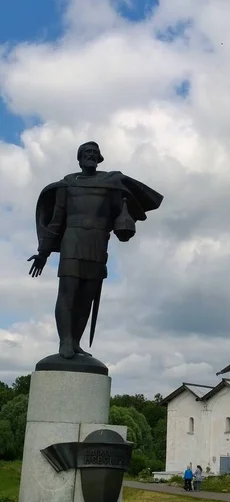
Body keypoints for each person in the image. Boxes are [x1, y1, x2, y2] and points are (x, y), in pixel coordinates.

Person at [28, 141, 163, 359]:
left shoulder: (111, 184)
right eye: (86, 152)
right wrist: (43, 253)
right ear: (79, 158)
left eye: (94, 153)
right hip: (72, 241)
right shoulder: (67, 185)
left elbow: (123, 215)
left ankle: (76, 342)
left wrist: (125, 221)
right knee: (68, 293)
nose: (90, 155)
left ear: (99, 158)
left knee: (86, 297)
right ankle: (65, 341)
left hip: (98, 242)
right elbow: (56, 220)